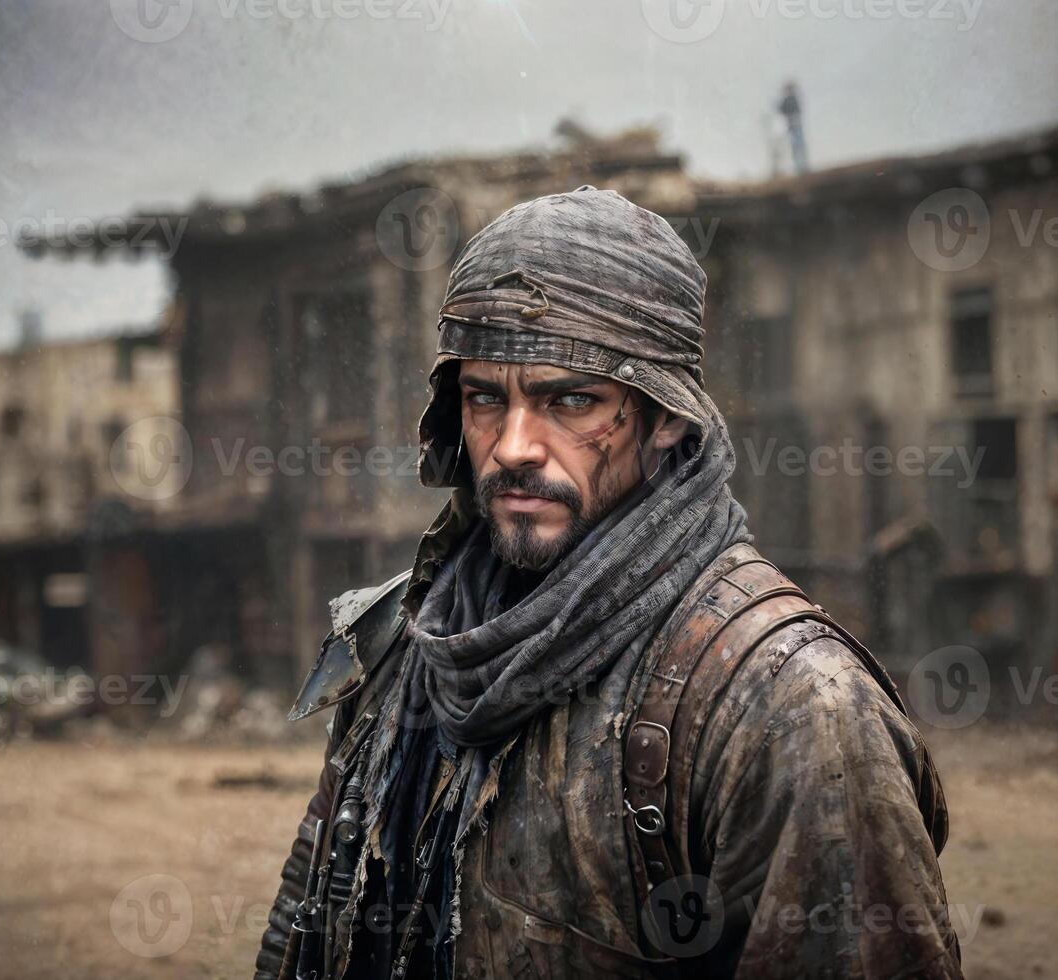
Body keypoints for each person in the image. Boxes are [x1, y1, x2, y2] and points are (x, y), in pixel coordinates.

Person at [255, 187, 961, 979]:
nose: (514, 445)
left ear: (665, 418)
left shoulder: (792, 708)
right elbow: (306, 930)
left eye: (571, 400)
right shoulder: (400, 642)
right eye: (486, 397)